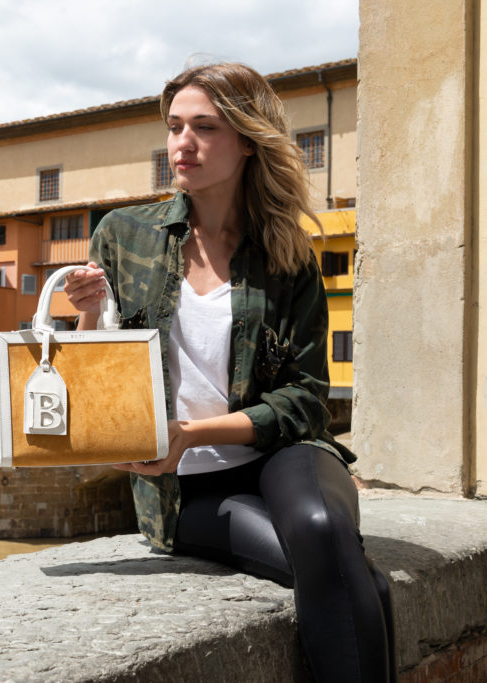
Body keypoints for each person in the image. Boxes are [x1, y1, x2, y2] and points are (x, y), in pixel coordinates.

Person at [64, 62, 395, 682]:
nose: (181, 145)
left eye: (205, 128)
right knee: (357, 577)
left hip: (281, 453)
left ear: (247, 140)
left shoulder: (286, 251)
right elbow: (96, 373)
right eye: (174, 127)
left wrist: (196, 430)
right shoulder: (124, 235)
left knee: (323, 528)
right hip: (182, 486)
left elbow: (305, 399)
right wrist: (86, 316)